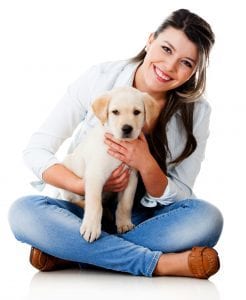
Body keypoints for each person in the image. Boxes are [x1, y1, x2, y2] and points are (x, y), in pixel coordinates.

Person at [8, 9, 223, 278]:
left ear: (195, 70)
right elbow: (36, 151)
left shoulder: (198, 112)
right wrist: (81, 185)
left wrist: (145, 163)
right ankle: (158, 264)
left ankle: (70, 251)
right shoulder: (100, 79)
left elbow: (182, 192)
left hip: (142, 220)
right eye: (166, 49)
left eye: (186, 63)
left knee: (207, 218)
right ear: (150, 40)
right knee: (23, 213)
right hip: (81, 210)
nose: (169, 67)